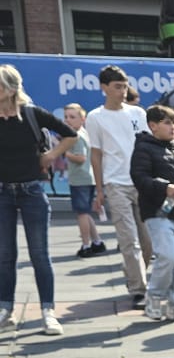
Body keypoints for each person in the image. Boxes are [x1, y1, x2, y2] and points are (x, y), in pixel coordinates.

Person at [0, 63, 75, 334]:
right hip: (2, 192)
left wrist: (51, 156)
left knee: (39, 254)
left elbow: (70, 135)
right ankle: (5, 309)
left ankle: (48, 311)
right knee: (4, 255)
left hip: (31, 190)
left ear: (10, 89)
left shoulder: (31, 114)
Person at [85, 65, 151, 307]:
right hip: (115, 184)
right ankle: (139, 289)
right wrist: (99, 189)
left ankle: (132, 273)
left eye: (125, 86)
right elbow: (96, 155)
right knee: (129, 239)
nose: (123, 91)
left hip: (141, 182)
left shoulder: (138, 113)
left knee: (148, 242)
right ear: (104, 88)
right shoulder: (95, 117)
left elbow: (148, 146)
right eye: (117, 87)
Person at [130, 103, 174, 324]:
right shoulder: (143, 148)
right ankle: (154, 299)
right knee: (168, 257)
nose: (173, 127)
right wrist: (165, 187)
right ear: (153, 125)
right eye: (167, 123)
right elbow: (140, 178)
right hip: (157, 213)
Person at [58, 102, 102, 255]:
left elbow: (80, 158)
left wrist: (64, 152)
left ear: (82, 119)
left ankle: (86, 245)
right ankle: (97, 241)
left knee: (82, 214)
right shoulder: (84, 133)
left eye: (72, 117)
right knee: (85, 212)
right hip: (87, 178)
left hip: (80, 180)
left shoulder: (76, 137)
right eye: (66, 117)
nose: (67, 120)